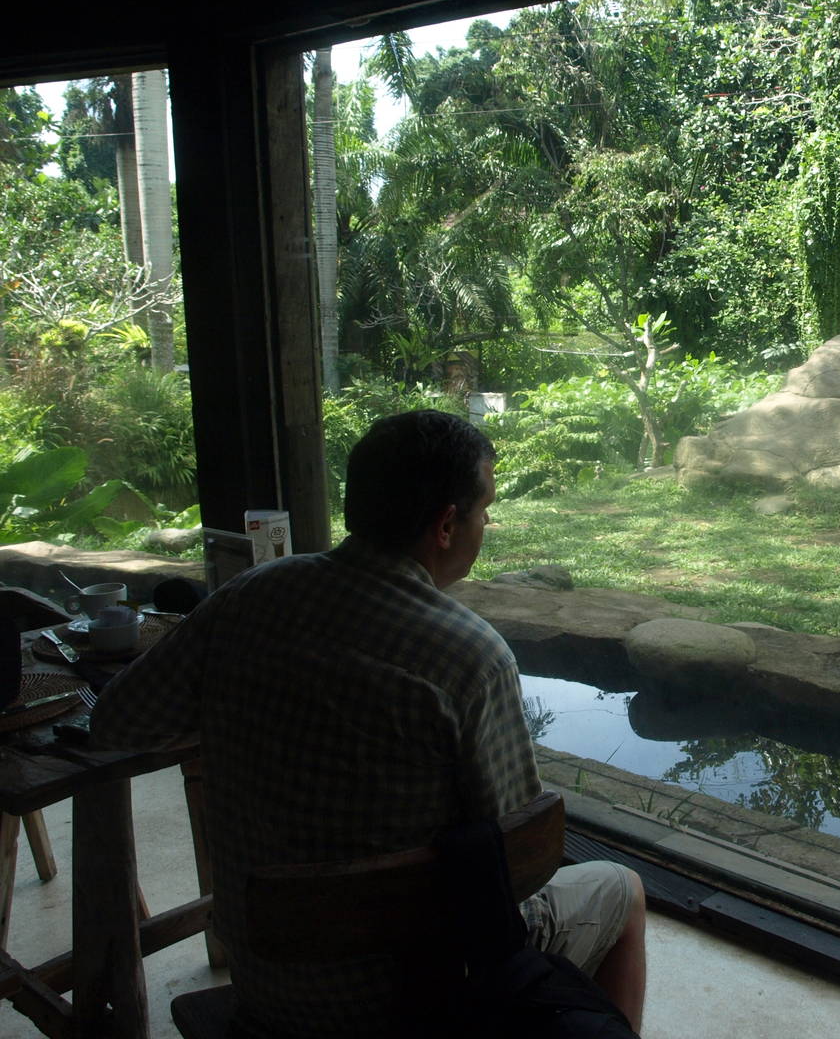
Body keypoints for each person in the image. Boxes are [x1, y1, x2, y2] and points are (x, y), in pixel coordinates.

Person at [92, 409, 646, 1038]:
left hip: (271, 990)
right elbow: (518, 862)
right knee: (620, 888)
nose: (487, 524)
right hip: (421, 1000)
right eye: (484, 509)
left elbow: (115, 723)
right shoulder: (468, 655)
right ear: (445, 525)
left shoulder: (248, 596)